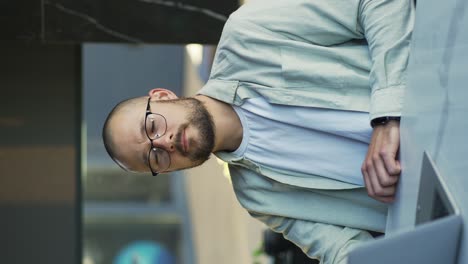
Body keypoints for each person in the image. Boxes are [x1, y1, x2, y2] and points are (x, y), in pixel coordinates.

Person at [102, 0, 414, 263]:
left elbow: (375, 3)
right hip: (438, 200)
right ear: (168, 171)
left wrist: (389, 116)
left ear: (162, 95)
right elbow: (341, 250)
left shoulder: (248, 33)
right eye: (154, 157)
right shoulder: (256, 197)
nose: (166, 142)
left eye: (152, 125)